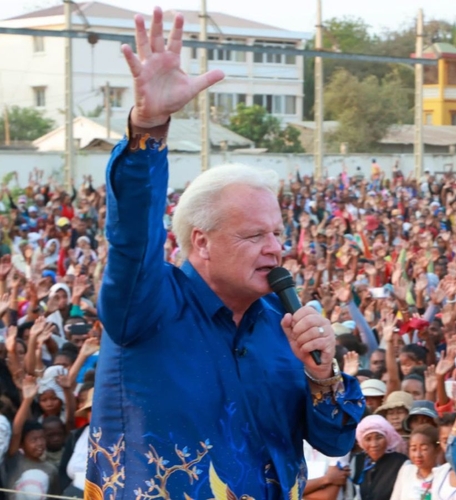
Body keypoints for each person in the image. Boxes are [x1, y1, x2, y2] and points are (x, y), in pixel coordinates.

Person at [88, 8, 362, 499]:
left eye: (278, 233)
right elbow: (132, 235)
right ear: (201, 242)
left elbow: (335, 436)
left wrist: (322, 376)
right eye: (254, 235)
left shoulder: (288, 324)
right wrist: (150, 127)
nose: (276, 248)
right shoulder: (148, 304)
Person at [351, 415, 408, 500]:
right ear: (361, 442)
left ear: (387, 438)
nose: (374, 444)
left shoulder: (400, 463)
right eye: (368, 439)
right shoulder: (358, 461)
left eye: (379, 437)